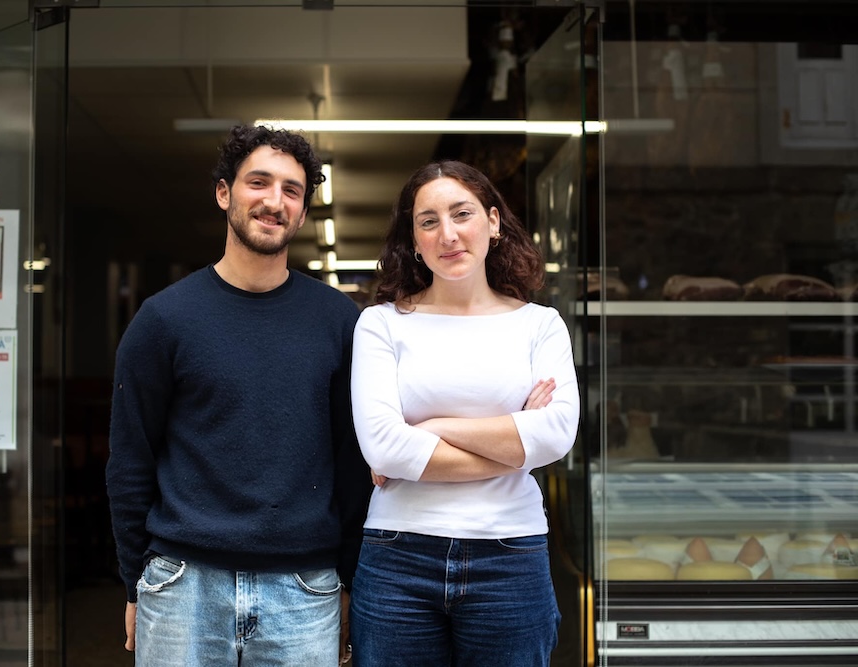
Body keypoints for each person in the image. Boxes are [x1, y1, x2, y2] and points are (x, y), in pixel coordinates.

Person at [106, 125, 370, 667]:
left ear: (301, 212)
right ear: (224, 193)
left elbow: (353, 464)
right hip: (182, 587)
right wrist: (135, 582)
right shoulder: (163, 320)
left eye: (292, 191)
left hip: (305, 589)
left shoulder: (341, 322)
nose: (274, 201)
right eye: (259, 182)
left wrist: (350, 581)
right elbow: (130, 461)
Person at [348, 160, 580, 666]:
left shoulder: (540, 325)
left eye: (462, 213)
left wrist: (433, 429)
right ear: (413, 239)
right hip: (398, 556)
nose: (448, 234)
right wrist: (517, 445)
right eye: (428, 221)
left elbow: (557, 434)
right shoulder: (381, 325)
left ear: (494, 223)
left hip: (511, 555)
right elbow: (384, 446)